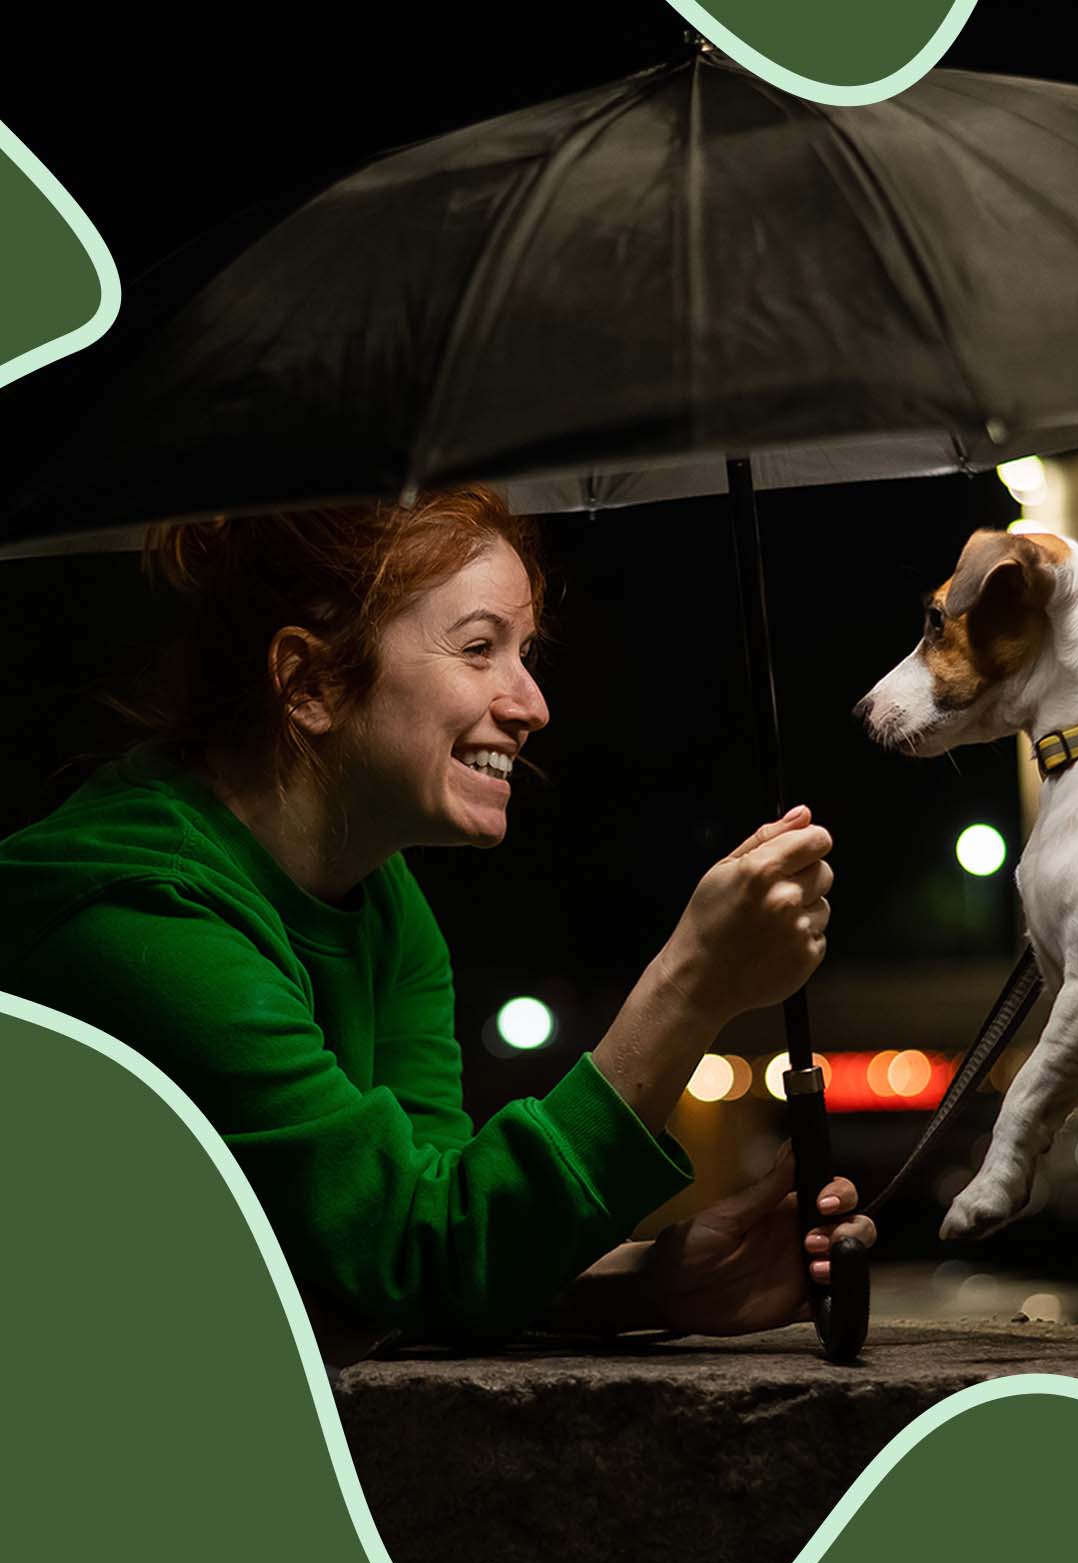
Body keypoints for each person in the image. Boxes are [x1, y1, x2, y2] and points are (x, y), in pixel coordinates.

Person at [0, 484, 874, 1362]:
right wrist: (690, 986)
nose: (531, 704)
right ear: (308, 683)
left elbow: (402, 1256)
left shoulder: (380, 896)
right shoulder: (140, 920)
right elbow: (424, 1255)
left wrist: (648, 1284)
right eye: (480, 649)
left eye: (525, 652)